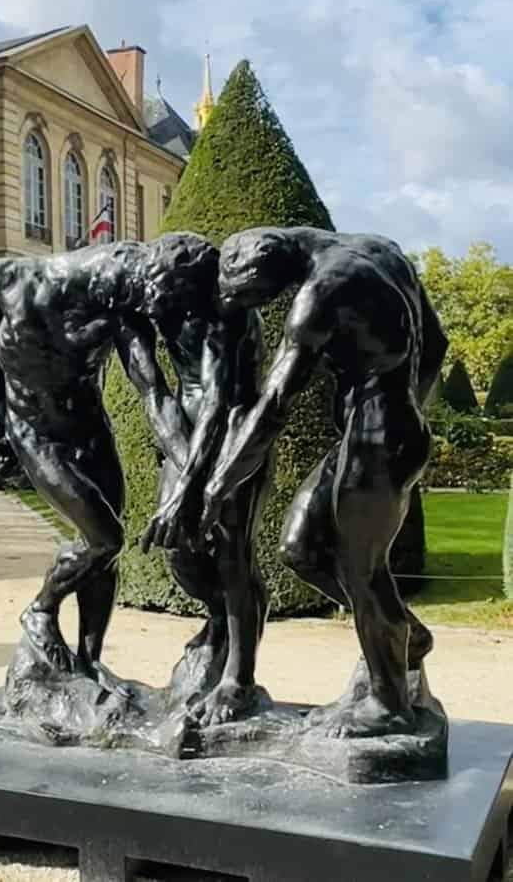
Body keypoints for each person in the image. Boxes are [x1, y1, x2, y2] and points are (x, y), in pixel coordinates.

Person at [145, 227, 448, 739]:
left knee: (361, 570)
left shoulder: (318, 294)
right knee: (300, 547)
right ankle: (405, 635)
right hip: (377, 430)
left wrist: (215, 489)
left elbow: (272, 408)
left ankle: (390, 702)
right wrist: (407, 404)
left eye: (251, 298)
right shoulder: (378, 249)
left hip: (378, 437)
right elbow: (436, 343)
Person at [0, 234, 210, 695]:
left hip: (89, 432)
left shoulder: (120, 315)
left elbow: (154, 396)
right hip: (35, 433)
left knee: (104, 555)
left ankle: (89, 662)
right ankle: (41, 610)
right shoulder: (7, 279)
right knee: (104, 538)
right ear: (101, 282)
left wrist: (191, 467)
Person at [137, 242, 271, 725]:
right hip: (187, 437)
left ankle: (239, 677)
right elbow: (156, 387)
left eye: (167, 289)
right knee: (177, 549)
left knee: (233, 555)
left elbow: (217, 402)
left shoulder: (226, 316)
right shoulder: (167, 305)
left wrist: (192, 487)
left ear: (192, 285)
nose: (157, 299)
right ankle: (223, 621)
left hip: (234, 438)